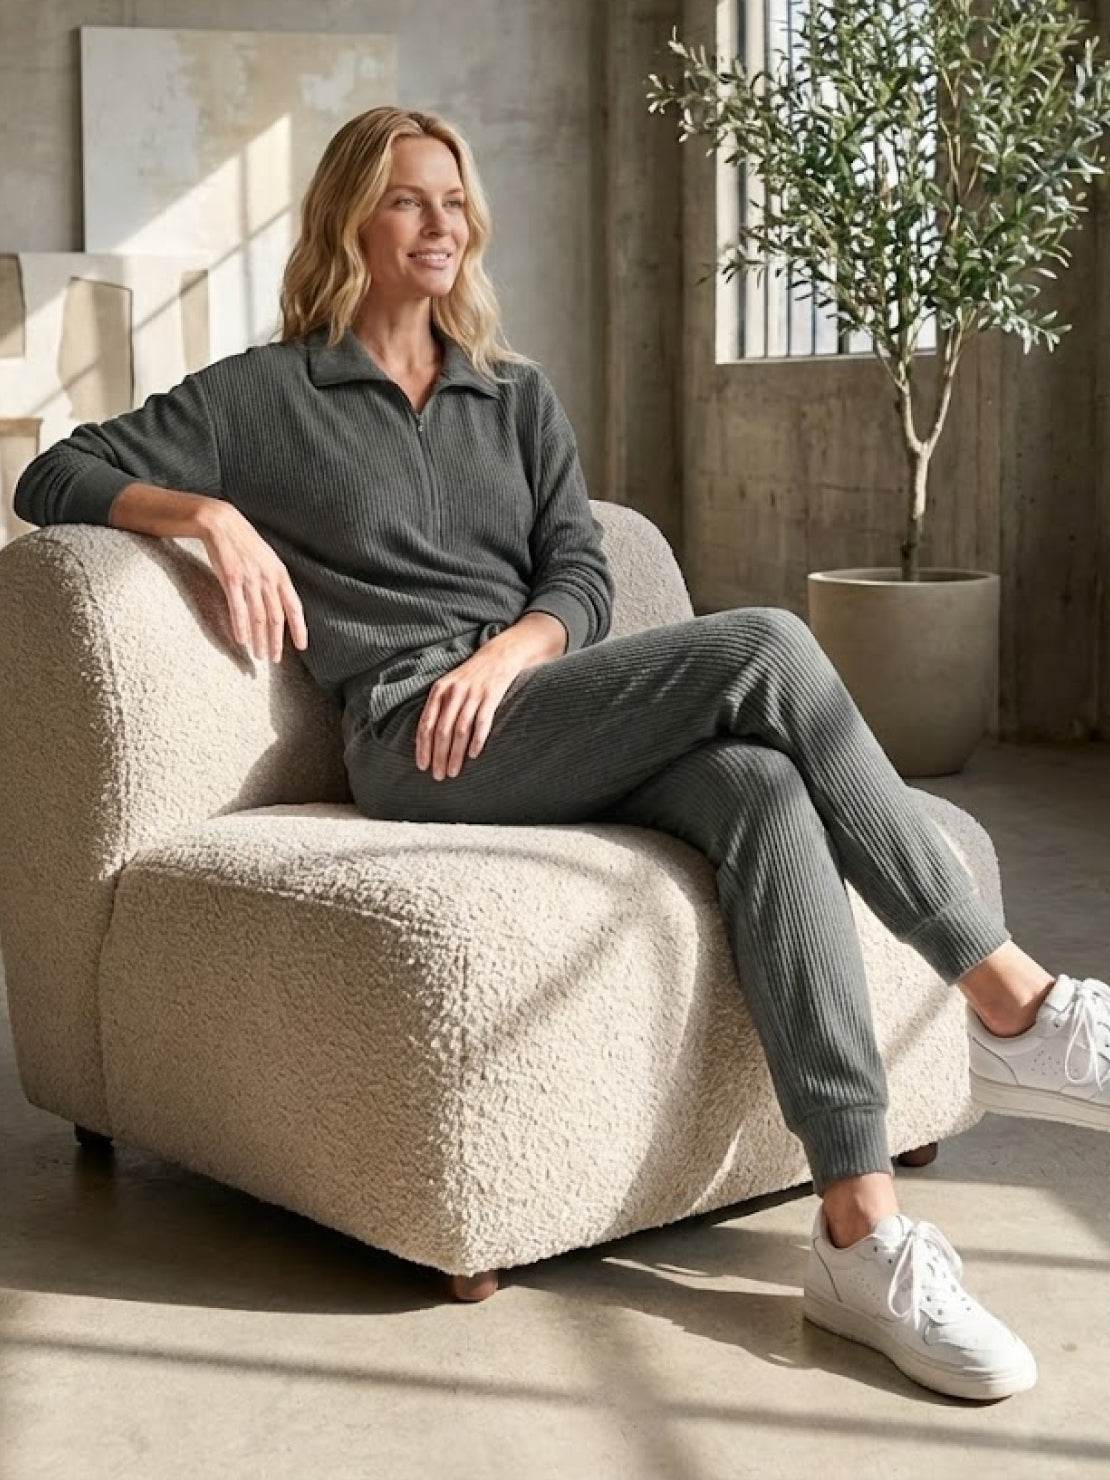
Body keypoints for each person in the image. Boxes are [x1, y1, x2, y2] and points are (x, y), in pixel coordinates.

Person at [13, 105, 1109, 1402]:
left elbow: (579, 571)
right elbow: (56, 475)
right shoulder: (264, 397)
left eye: (454, 200)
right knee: (764, 643)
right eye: (409, 199)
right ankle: (1013, 1002)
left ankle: (857, 1235)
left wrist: (512, 653)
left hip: (528, 705)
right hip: (413, 743)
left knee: (758, 785)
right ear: (349, 219)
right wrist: (205, 512)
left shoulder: (513, 393)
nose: (441, 224)